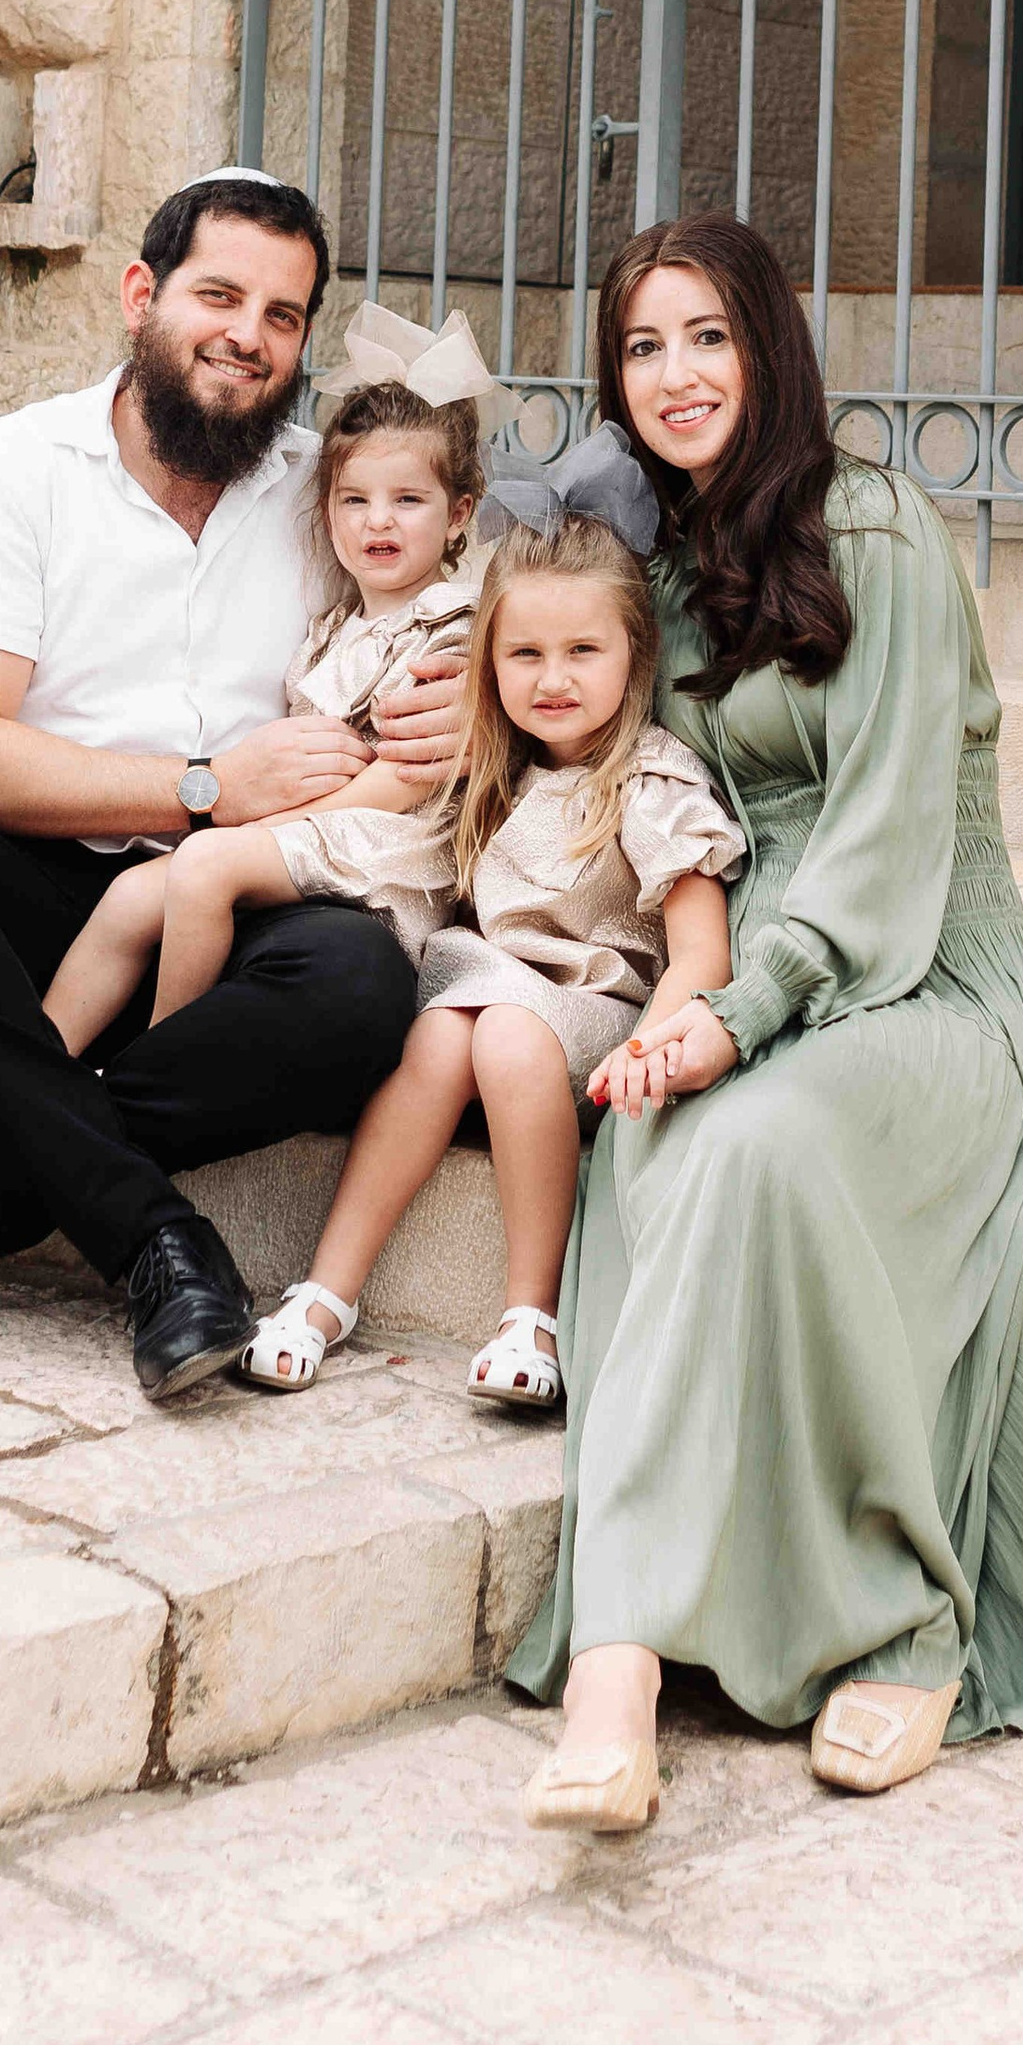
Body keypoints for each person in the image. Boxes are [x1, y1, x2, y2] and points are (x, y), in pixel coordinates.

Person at [513, 211, 1023, 1835]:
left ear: (768, 347)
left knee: (753, 1139)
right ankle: (614, 1681)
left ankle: (901, 1616)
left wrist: (743, 1012)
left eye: (708, 335)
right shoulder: (662, 576)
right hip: (734, 980)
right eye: (642, 345)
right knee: (656, 1142)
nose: (676, 374)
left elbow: (888, 847)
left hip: (921, 983)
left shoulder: (879, 532)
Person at [0, 173, 463, 1400]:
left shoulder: (333, 491)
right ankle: (157, 1236)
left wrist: (469, 695)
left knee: (359, 988)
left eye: (283, 314)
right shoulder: (10, 468)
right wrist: (204, 790)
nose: (247, 337)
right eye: (218, 294)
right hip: (49, 892)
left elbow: (477, 591)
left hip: (245, 909)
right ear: (141, 296)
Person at [241, 511, 741, 1418]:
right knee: (437, 1036)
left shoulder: (650, 780)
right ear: (490, 659)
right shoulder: (487, 771)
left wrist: (654, 1049)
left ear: (634, 653)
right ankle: (327, 1291)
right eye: (525, 654)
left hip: (595, 1013)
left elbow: (701, 951)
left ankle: (532, 1316)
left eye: (584, 651)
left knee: (507, 1031)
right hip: (479, 993)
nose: (553, 680)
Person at [37, 355, 487, 1054]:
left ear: (458, 515)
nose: (378, 521)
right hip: (306, 835)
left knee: (204, 864)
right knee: (128, 896)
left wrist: (263, 826)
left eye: (408, 499)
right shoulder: (334, 628)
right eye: (354, 499)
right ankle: (33, 1060)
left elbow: (406, 779)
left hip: (386, 847)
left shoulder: (448, 628)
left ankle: (153, 1065)